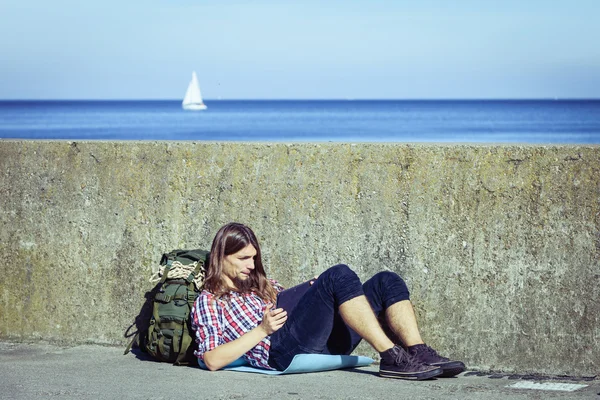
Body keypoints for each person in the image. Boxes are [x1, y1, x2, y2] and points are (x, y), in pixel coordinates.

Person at [191, 222, 465, 380]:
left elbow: (297, 309)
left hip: (314, 341)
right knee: (338, 275)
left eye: (253, 257)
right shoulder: (210, 300)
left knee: (385, 281)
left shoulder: (260, 285)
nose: (251, 265)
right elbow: (212, 359)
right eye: (243, 259)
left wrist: (311, 291)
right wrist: (262, 330)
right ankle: (392, 357)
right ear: (221, 257)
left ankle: (417, 351)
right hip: (279, 351)